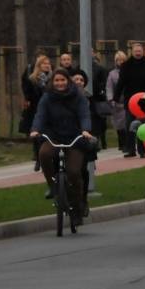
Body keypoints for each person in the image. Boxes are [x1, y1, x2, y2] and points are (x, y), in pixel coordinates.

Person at [30, 68, 94, 223]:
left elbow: (84, 114)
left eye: (62, 80)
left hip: (75, 138)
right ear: (52, 82)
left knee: (73, 172)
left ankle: (77, 207)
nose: (59, 83)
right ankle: (53, 186)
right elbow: (40, 115)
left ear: (68, 81)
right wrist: (35, 130)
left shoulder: (78, 96)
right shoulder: (47, 97)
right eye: (56, 81)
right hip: (54, 136)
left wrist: (85, 130)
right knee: (44, 154)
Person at [116, 41, 145, 158]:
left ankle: (142, 150)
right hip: (130, 100)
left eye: (140, 51)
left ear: (143, 52)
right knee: (129, 124)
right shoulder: (126, 66)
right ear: (132, 52)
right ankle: (130, 149)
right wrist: (116, 97)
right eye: (136, 51)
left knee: (142, 125)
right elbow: (121, 83)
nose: (138, 53)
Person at [71, 71, 101, 208]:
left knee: (82, 169)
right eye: (75, 79)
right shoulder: (64, 97)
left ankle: (83, 199)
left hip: (84, 136)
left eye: (81, 79)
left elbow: (94, 118)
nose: (78, 81)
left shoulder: (89, 98)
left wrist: (91, 134)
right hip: (67, 136)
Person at [21, 54, 52, 171]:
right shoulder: (32, 79)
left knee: (48, 135)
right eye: (44, 64)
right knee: (37, 135)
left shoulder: (54, 78)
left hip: (50, 111)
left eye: (48, 63)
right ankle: (38, 158)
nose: (47, 66)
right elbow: (28, 93)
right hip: (36, 110)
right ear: (39, 65)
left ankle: (47, 159)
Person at [105, 50, 128, 152]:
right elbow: (109, 88)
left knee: (127, 124)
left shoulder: (129, 71)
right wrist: (111, 99)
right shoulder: (112, 74)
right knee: (118, 125)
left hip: (128, 102)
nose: (121, 62)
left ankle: (127, 144)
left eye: (122, 60)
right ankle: (121, 143)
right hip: (117, 103)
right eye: (118, 60)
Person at [90, 52, 110, 149]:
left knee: (99, 121)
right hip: (86, 99)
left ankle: (98, 140)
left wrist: (101, 92)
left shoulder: (100, 69)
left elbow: (104, 82)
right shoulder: (79, 67)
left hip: (97, 98)